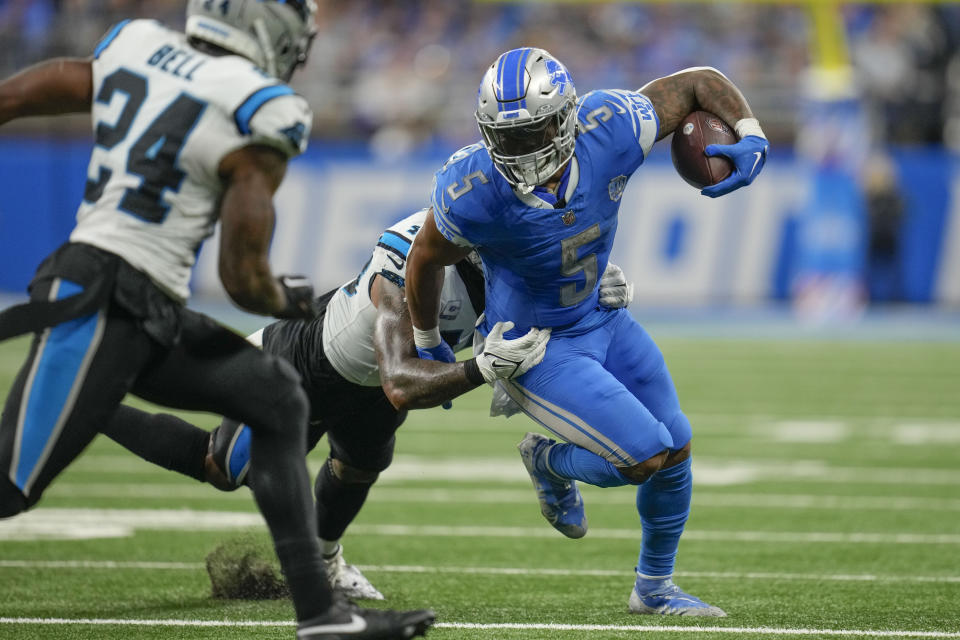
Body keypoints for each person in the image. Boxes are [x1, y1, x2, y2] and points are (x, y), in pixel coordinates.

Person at [0, 2, 434, 637]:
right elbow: (241, 278)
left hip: (139, 298)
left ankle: (321, 617)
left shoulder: (137, 45)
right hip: (105, 294)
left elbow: (44, 86)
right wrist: (287, 300)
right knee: (13, 485)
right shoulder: (261, 106)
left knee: (277, 396)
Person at [101, 207, 631, 599]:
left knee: (359, 466)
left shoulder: (502, 263)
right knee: (222, 467)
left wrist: (586, 300)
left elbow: (545, 322)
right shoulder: (408, 260)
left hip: (374, 389)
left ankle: (325, 563)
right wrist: (480, 368)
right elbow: (402, 379)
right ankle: (97, 403)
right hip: (308, 365)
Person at [405, 49, 770, 616]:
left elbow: (700, 81)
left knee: (678, 445)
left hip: (602, 316)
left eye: (533, 131)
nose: (521, 149)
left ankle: (654, 590)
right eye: (506, 136)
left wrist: (750, 132)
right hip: (533, 347)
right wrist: (428, 339)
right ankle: (549, 461)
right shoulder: (474, 187)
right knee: (645, 456)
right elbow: (424, 258)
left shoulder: (610, 127)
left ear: (567, 116)